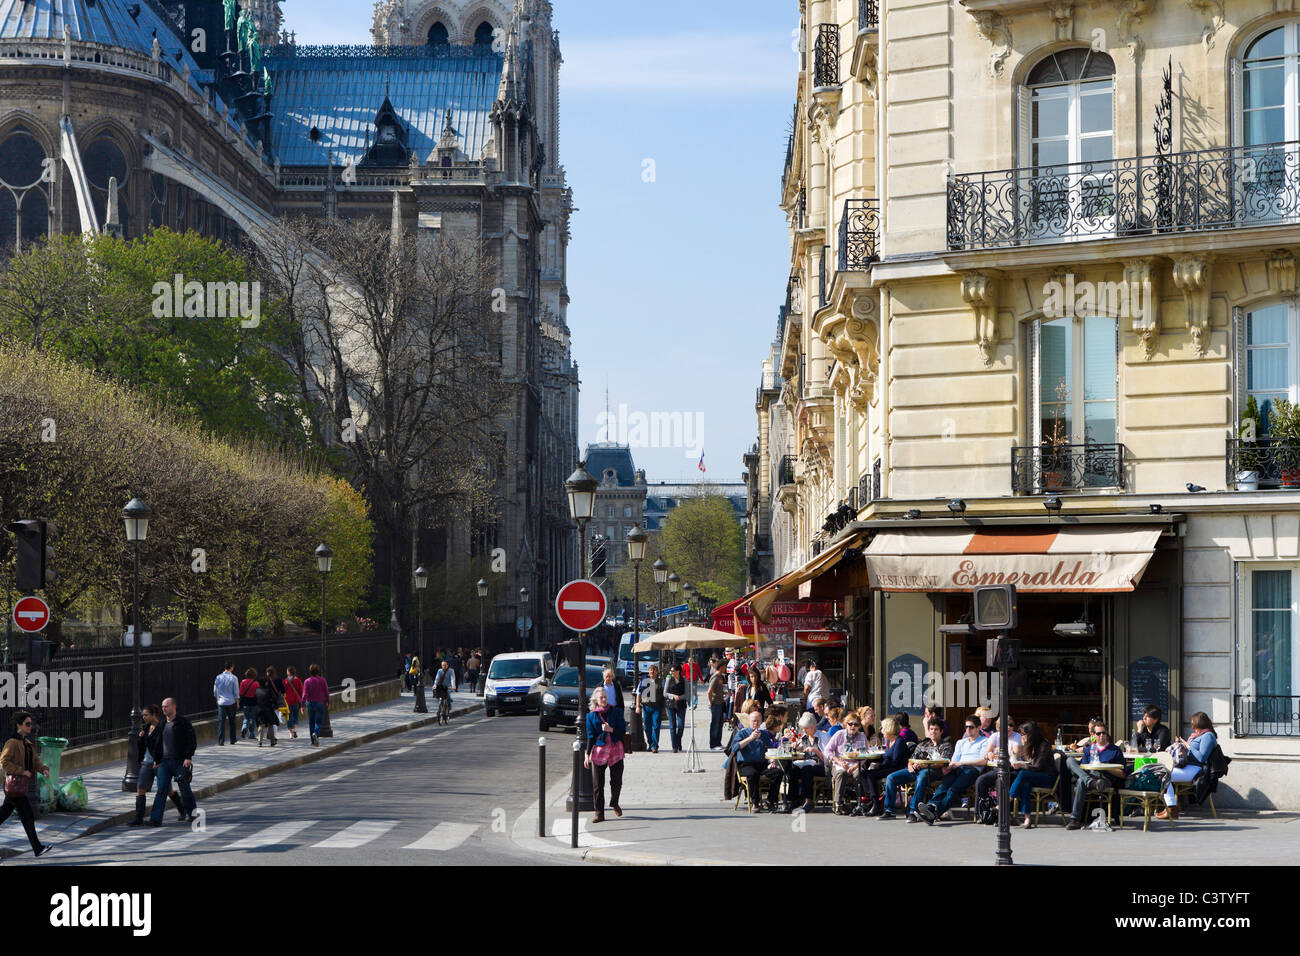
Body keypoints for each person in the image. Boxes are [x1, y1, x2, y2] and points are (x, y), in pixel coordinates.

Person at [917, 716, 988, 825]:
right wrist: (948, 767)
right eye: (966, 727)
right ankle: (931, 807)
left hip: (972, 769)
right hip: (958, 768)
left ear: (978, 727)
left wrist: (962, 763)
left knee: (953, 789)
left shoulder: (984, 741)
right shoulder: (961, 742)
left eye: (971, 727)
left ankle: (934, 813)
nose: (968, 729)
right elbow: (954, 759)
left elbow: (984, 761)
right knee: (944, 786)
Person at [0, 712, 52, 857]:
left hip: (18, 787)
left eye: (31, 724)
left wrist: (44, 770)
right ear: (19, 725)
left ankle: (38, 848)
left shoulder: (26, 743)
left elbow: (35, 760)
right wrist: (22, 771)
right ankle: (38, 848)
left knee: (4, 812)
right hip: (14, 786)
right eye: (27, 724)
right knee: (28, 817)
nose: (30, 726)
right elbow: (4, 762)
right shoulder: (12, 742)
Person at [885, 717, 953, 822]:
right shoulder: (923, 744)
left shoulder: (945, 746)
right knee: (891, 777)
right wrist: (910, 766)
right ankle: (889, 810)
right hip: (915, 770)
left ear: (941, 731)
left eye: (936, 729)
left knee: (922, 777)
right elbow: (911, 759)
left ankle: (913, 811)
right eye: (931, 729)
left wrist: (923, 766)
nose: (933, 732)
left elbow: (943, 762)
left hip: (932, 772)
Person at [1156, 712, 1217, 821]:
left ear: (1199, 724)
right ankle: (1170, 807)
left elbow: (1202, 758)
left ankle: (1171, 809)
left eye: (1193, 724)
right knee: (1160, 772)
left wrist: (1188, 746)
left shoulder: (1208, 736)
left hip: (1196, 769)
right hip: (1188, 766)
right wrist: (1182, 745)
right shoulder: (1199, 735)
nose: (1192, 727)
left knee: (1164, 774)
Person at [1064, 722, 1125, 829]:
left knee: (1081, 781)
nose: (1101, 735)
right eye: (1098, 733)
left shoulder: (1115, 750)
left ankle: (1075, 819)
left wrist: (1105, 767)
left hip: (1104, 779)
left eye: (1104, 733)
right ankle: (1090, 782)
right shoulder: (1088, 750)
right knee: (1069, 760)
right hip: (1091, 778)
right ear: (1093, 735)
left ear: (1107, 734)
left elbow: (1122, 774)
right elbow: (1083, 767)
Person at [149, 698, 197, 826]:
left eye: (167, 706)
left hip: (180, 761)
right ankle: (155, 819)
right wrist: (156, 759)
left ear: (174, 707)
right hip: (164, 763)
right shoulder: (162, 723)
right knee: (161, 790)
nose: (164, 709)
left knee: (184, 788)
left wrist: (188, 757)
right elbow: (156, 742)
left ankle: (192, 813)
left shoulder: (183, 722)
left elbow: (191, 740)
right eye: (163, 706)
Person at [585, 687, 627, 824]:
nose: (603, 699)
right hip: (599, 752)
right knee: (598, 785)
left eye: (605, 697)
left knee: (617, 781)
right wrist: (587, 755)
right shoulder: (591, 716)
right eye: (601, 697)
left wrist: (611, 729)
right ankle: (599, 813)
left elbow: (622, 730)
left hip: (615, 750)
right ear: (596, 700)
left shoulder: (615, 712)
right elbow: (591, 737)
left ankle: (614, 802)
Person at [1007, 721, 1058, 828]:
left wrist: (1022, 766)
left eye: (1023, 734)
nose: (1022, 737)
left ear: (1030, 734)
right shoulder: (1032, 746)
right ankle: (1027, 819)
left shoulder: (1044, 745)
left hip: (1048, 778)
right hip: (1037, 776)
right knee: (1025, 783)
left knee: (1023, 774)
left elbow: (1038, 767)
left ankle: (1008, 800)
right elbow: (1032, 764)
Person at [861, 717, 910, 816]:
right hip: (888, 767)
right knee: (863, 773)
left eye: (883, 728)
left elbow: (895, 761)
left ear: (889, 729)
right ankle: (873, 799)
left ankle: (875, 804)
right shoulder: (889, 741)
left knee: (871, 775)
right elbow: (886, 757)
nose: (881, 730)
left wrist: (880, 766)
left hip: (896, 768)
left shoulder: (899, 741)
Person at [824, 713, 869, 813]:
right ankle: (838, 803)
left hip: (856, 764)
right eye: (850, 724)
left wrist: (855, 766)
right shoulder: (839, 734)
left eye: (856, 724)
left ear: (859, 726)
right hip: (840, 764)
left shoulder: (862, 736)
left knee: (859, 773)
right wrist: (838, 761)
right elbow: (827, 751)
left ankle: (861, 802)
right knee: (841, 773)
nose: (853, 726)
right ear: (846, 724)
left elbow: (865, 755)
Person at [973, 714, 1022, 807]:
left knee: (1000, 781)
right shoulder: (995, 736)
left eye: (1011, 725)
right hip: (997, 768)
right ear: (999, 727)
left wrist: (1000, 750)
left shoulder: (1017, 736)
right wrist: (989, 754)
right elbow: (986, 754)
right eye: (1006, 725)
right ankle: (982, 811)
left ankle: (1001, 812)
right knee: (980, 781)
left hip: (1012, 769)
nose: (1008, 727)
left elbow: (1016, 753)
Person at [732, 709, 775, 811]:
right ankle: (755, 802)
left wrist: (772, 761)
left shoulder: (764, 734)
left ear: (761, 722)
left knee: (777, 772)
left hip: (762, 763)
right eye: (753, 721)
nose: (756, 723)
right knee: (753, 774)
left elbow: (770, 750)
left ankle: (771, 800)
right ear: (749, 721)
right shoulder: (742, 733)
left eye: (758, 721)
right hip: (746, 764)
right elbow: (734, 748)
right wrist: (750, 738)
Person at [785, 712, 828, 813]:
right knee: (793, 770)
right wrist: (796, 747)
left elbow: (828, 758)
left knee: (806, 770)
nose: (804, 731)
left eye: (806, 728)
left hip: (821, 766)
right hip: (807, 763)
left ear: (813, 727)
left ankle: (808, 800)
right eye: (803, 728)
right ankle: (794, 799)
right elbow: (800, 751)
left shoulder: (822, 737)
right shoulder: (804, 737)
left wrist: (815, 750)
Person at [637, 665, 665, 752]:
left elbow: (664, 694)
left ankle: (654, 746)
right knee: (647, 727)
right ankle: (650, 743)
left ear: (657, 672)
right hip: (646, 707)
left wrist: (664, 707)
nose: (652, 672)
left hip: (657, 707)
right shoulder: (644, 680)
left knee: (656, 726)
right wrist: (638, 706)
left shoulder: (661, 681)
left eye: (654, 670)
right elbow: (638, 693)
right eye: (650, 670)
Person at [664, 664, 689, 753]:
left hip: (681, 705)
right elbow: (665, 693)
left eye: (673, 671)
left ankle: (678, 742)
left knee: (681, 726)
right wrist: (673, 696)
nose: (671, 672)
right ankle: (674, 746)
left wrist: (680, 697)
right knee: (672, 726)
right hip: (670, 705)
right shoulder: (668, 679)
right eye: (671, 671)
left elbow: (687, 694)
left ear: (678, 671)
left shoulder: (684, 680)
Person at [213, 661, 239, 745]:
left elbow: (215, 690)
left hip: (221, 702)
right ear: (231, 667)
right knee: (232, 721)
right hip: (231, 702)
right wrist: (237, 702)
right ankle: (233, 739)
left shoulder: (218, 677)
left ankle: (221, 741)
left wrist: (217, 700)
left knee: (221, 722)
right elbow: (236, 692)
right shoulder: (234, 678)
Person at [303, 664, 329, 746]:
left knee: (311, 722)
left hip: (310, 703)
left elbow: (304, 695)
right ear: (318, 671)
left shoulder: (307, 681)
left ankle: (312, 741)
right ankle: (316, 733)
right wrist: (328, 701)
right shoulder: (322, 680)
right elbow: (326, 692)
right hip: (319, 703)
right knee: (319, 722)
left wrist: (302, 705)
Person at [255, 667, 281, 747]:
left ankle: (260, 742)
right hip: (268, 710)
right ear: (265, 683)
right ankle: (272, 741)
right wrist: (275, 706)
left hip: (259, 710)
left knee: (261, 726)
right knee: (270, 725)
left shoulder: (257, 691)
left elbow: (255, 700)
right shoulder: (269, 690)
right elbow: (274, 699)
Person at [707, 659, 728, 751]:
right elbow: (709, 691)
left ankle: (718, 743)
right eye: (725, 667)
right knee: (715, 724)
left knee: (719, 723)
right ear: (721, 667)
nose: (726, 668)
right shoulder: (715, 677)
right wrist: (710, 701)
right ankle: (713, 744)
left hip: (720, 702)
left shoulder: (720, 677)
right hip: (715, 703)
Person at [238, 667, 260, 739]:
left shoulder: (243, 682)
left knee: (246, 718)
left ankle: (244, 728)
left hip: (245, 702)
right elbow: (258, 694)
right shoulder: (256, 683)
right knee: (252, 718)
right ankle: (251, 734)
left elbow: (240, 693)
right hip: (254, 702)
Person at [432, 659, 457, 723]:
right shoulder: (439, 671)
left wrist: (453, 686)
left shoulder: (451, 671)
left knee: (447, 696)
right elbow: (436, 679)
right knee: (440, 699)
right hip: (441, 687)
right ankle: (439, 711)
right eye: (443, 665)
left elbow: (452, 679)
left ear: (447, 665)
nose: (444, 666)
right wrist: (435, 685)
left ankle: (449, 704)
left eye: (445, 665)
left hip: (448, 687)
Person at [283, 666, 305, 739]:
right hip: (296, 701)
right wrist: (302, 700)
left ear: (289, 672)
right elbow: (301, 691)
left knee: (289, 717)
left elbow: (283, 692)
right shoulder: (297, 680)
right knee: (296, 716)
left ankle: (291, 733)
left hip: (288, 701)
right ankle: (295, 730)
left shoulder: (285, 681)